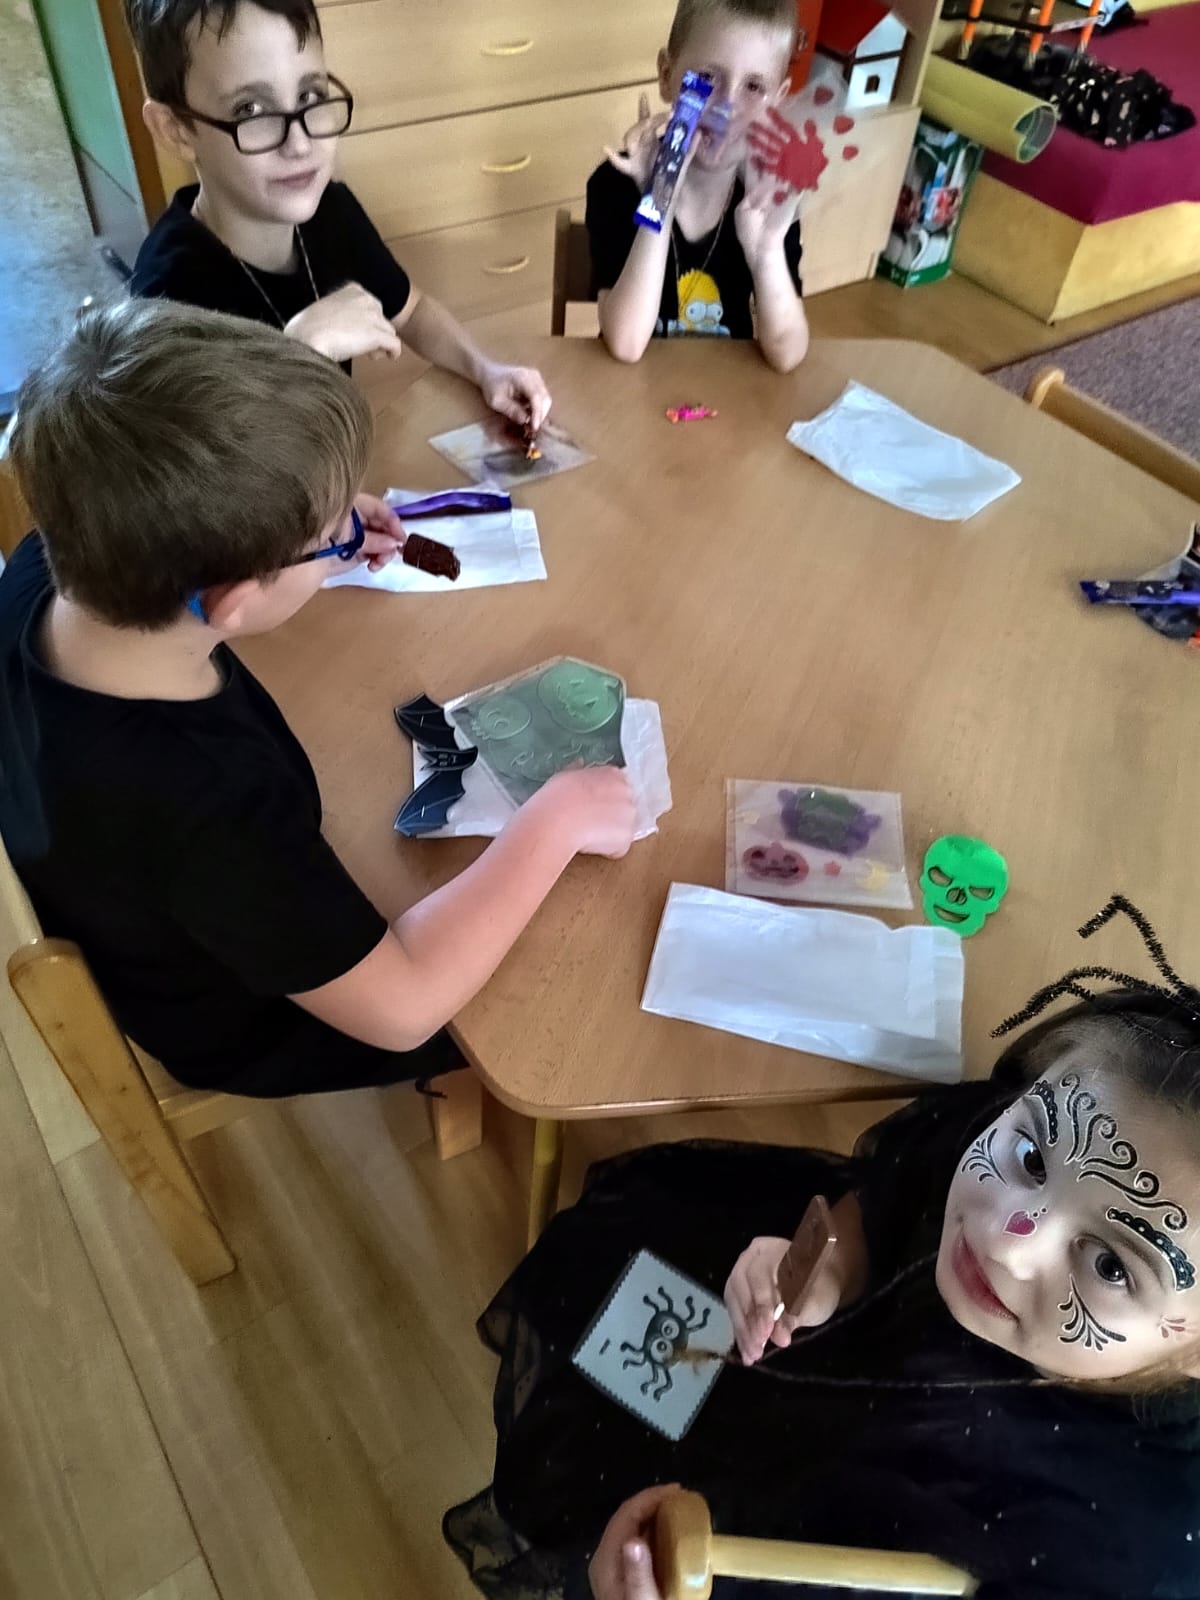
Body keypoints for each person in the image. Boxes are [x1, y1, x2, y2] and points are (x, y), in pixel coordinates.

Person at [444, 897, 1200, 1599]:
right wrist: (832, 1265)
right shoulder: (999, 1149)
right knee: (604, 1350)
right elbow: (897, 1188)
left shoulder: (1108, 1551)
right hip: (801, 1358)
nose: (1008, 1243)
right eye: (1032, 1157)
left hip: (791, 1508)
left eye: (1111, 1265)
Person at [0, 300, 636, 1096]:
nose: (348, 533)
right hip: (261, 1023)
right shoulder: (209, 808)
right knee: (582, 981)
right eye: (331, 534)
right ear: (233, 602)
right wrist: (555, 819)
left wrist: (311, 539)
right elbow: (406, 1008)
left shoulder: (53, 565)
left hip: (174, 924)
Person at [123, 0, 551, 427]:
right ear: (176, 131)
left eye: (309, 95)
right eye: (250, 109)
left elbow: (411, 310)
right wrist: (299, 352)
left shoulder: (331, 211)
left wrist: (486, 370)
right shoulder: (165, 302)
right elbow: (201, 465)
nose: (300, 143)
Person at [586, 0, 808, 370]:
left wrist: (766, 251)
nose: (726, 107)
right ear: (667, 75)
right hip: (632, 394)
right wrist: (660, 194)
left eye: (754, 86)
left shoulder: (766, 197)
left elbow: (788, 355)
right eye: (706, 78)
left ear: (777, 101)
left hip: (723, 394)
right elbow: (626, 343)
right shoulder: (615, 185)